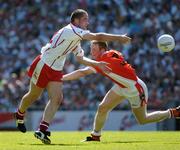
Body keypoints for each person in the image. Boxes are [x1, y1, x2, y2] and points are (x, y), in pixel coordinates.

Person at [14, 9, 131, 144]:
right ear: (76, 21)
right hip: (44, 63)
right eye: (85, 19)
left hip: (56, 68)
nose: (88, 22)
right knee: (34, 95)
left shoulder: (76, 38)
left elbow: (80, 59)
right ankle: (20, 114)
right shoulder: (71, 30)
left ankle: (42, 130)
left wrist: (97, 64)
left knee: (57, 99)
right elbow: (97, 36)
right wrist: (119, 37)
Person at [62, 40, 180, 142]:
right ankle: (95, 136)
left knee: (143, 119)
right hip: (122, 86)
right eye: (91, 49)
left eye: (94, 49)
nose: (91, 52)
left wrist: (61, 78)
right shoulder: (109, 54)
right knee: (103, 107)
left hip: (135, 89)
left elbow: (82, 72)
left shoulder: (104, 61)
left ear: (102, 49)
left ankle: (173, 113)